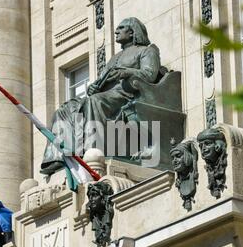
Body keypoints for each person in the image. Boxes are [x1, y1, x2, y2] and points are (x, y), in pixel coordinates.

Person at [40, 17, 161, 176]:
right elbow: (101, 80)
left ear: (132, 32)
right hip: (108, 95)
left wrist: (127, 72)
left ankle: (93, 151)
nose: (116, 31)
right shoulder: (114, 58)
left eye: (121, 28)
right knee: (64, 109)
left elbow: (150, 74)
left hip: (127, 94)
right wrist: (94, 86)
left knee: (93, 102)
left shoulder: (147, 50)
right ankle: (58, 156)